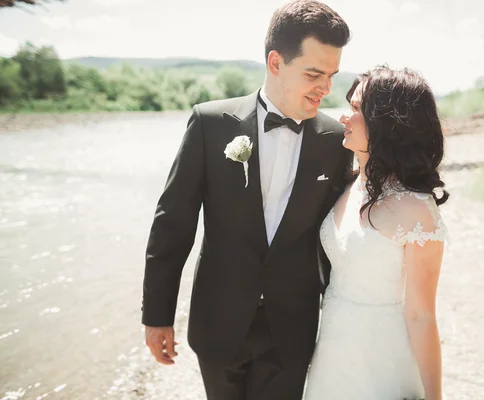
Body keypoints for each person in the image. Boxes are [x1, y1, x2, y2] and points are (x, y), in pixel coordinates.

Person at [140, 1, 352, 399]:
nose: (326, 88)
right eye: (314, 74)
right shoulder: (209, 124)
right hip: (218, 322)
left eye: (332, 75)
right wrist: (157, 316)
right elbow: (173, 223)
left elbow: (337, 238)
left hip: (292, 328)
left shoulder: (336, 142)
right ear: (275, 62)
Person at [304, 65, 449, 400]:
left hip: (382, 355)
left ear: (388, 125)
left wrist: (435, 397)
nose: (343, 117)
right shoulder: (349, 183)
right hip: (332, 351)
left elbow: (422, 314)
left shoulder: (416, 211)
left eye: (356, 109)